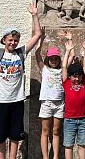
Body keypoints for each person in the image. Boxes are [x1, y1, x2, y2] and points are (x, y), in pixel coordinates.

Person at [0, 4, 41, 159]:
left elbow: (37, 34)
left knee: (15, 136)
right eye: (10, 40)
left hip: (17, 101)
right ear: (4, 40)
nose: (13, 43)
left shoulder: (21, 53)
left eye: (16, 40)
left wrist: (34, 15)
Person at [35, 27, 66, 159]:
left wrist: (68, 42)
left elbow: (67, 61)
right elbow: (37, 54)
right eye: (51, 58)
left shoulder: (62, 70)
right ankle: (45, 156)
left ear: (59, 59)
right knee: (45, 131)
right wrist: (40, 40)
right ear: (48, 59)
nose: (53, 61)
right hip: (47, 102)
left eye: (56, 59)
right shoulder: (45, 69)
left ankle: (55, 156)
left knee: (56, 131)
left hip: (59, 103)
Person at [62, 39, 85, 159]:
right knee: (68, 145)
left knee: (82, 144)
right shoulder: (66, 82)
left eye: (79, 76)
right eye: (74, 77)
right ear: (70, 76)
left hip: (83, 119)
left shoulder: (84, 82)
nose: (77, 79)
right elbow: (63, 66)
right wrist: (67, 51)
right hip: (69, 119)